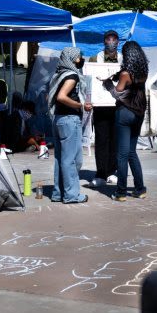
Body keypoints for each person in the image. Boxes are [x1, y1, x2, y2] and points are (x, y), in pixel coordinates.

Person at [104, 40, 149, 201]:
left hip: (124, 113)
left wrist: (108, 84)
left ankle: (121, 192)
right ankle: (140, 188)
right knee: (132, 152)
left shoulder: (125, 74)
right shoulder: (143, 71)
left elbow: (118, 93)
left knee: (122, 155)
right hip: (139, 113)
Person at [46, 47, 92, 204]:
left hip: (58, 119)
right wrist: (79, 105)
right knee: (72, 159)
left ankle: (58, 193)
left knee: (60, 158)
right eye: (79, 57)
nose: (81, 59)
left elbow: (51, 96)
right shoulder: (71, 75)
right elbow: (61, 97)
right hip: (69, 120)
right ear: (73, 59)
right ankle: (71, 195)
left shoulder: (59, 75)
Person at [92, 30, 120, 186]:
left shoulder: (122, 58)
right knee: (101, 139)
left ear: (118, 42)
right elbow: (89, 79)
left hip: (116, 105)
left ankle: (112, 171)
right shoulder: (95, 58)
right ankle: (101, 172)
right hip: (100, 105)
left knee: (115, 140)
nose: (111, 42)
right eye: (108, 39)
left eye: (114, 39)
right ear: (104, 41)